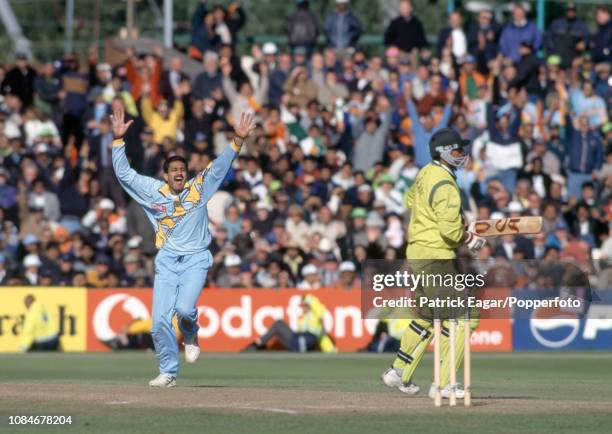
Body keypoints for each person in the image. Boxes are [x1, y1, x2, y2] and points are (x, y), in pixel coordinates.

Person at [110, 105, 255, 388]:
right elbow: (125, 175)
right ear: (165, 175)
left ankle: (190, 334)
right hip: (166, 260)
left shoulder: (199, 187)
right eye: (173, 170)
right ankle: (168, 372)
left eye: (182, 169)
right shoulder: (152, 191)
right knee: (158, 323)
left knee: (185, 311)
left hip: (196, 259)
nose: (178, 173)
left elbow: (220, 165)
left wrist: (237, 141)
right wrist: (118, 141)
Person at [380, 128, 485, 399]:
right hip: (436, 256)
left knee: (428, 317)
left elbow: (411, 200)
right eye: (458, 150)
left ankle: (399, 371)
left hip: (418, 252)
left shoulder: (426, 172)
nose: (463, 155)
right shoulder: (447, 185)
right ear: (444, 153)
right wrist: (469, 237)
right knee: (465, 316)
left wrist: (437, 222)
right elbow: (451, 232)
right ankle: (445, 383)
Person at [243, 294, 336, 353]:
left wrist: (308, 298)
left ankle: (257, 345)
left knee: (279, 323)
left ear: (309, 305)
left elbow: (321, 311)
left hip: (306, 339)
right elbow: (322, 337)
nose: (302, 307)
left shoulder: (315, 315)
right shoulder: (303, 319)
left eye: (304, 305)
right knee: (278, 328)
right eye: (302, 305)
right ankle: (260, 346)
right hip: (299, 339)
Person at [544, 2, 589, 68]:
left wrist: (584, 43)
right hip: (556, 57)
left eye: (573, 10)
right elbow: (548, 39)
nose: (571, 13)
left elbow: (586, 40)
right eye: (569, 10)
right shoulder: (556, 24)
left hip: (574, 59)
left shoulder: (581, 26)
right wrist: (553, 53)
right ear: (565, 11)